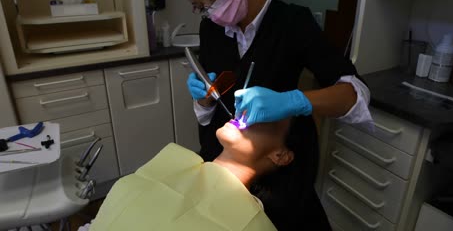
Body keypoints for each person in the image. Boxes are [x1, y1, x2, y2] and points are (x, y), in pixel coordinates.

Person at [174, 0, 371, 229]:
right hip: (219, 170)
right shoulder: (211, 28)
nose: (211, 8)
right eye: (200, 6)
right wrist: (205, 99)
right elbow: (212, 102)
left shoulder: (292, 21)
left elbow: (354, 95)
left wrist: (295, 100)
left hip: (276, 180)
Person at [80, 116, 326, 230]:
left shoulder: (250, 224)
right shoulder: (169, 169)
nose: (248, 113)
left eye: (267, 116)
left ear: (281, 155)